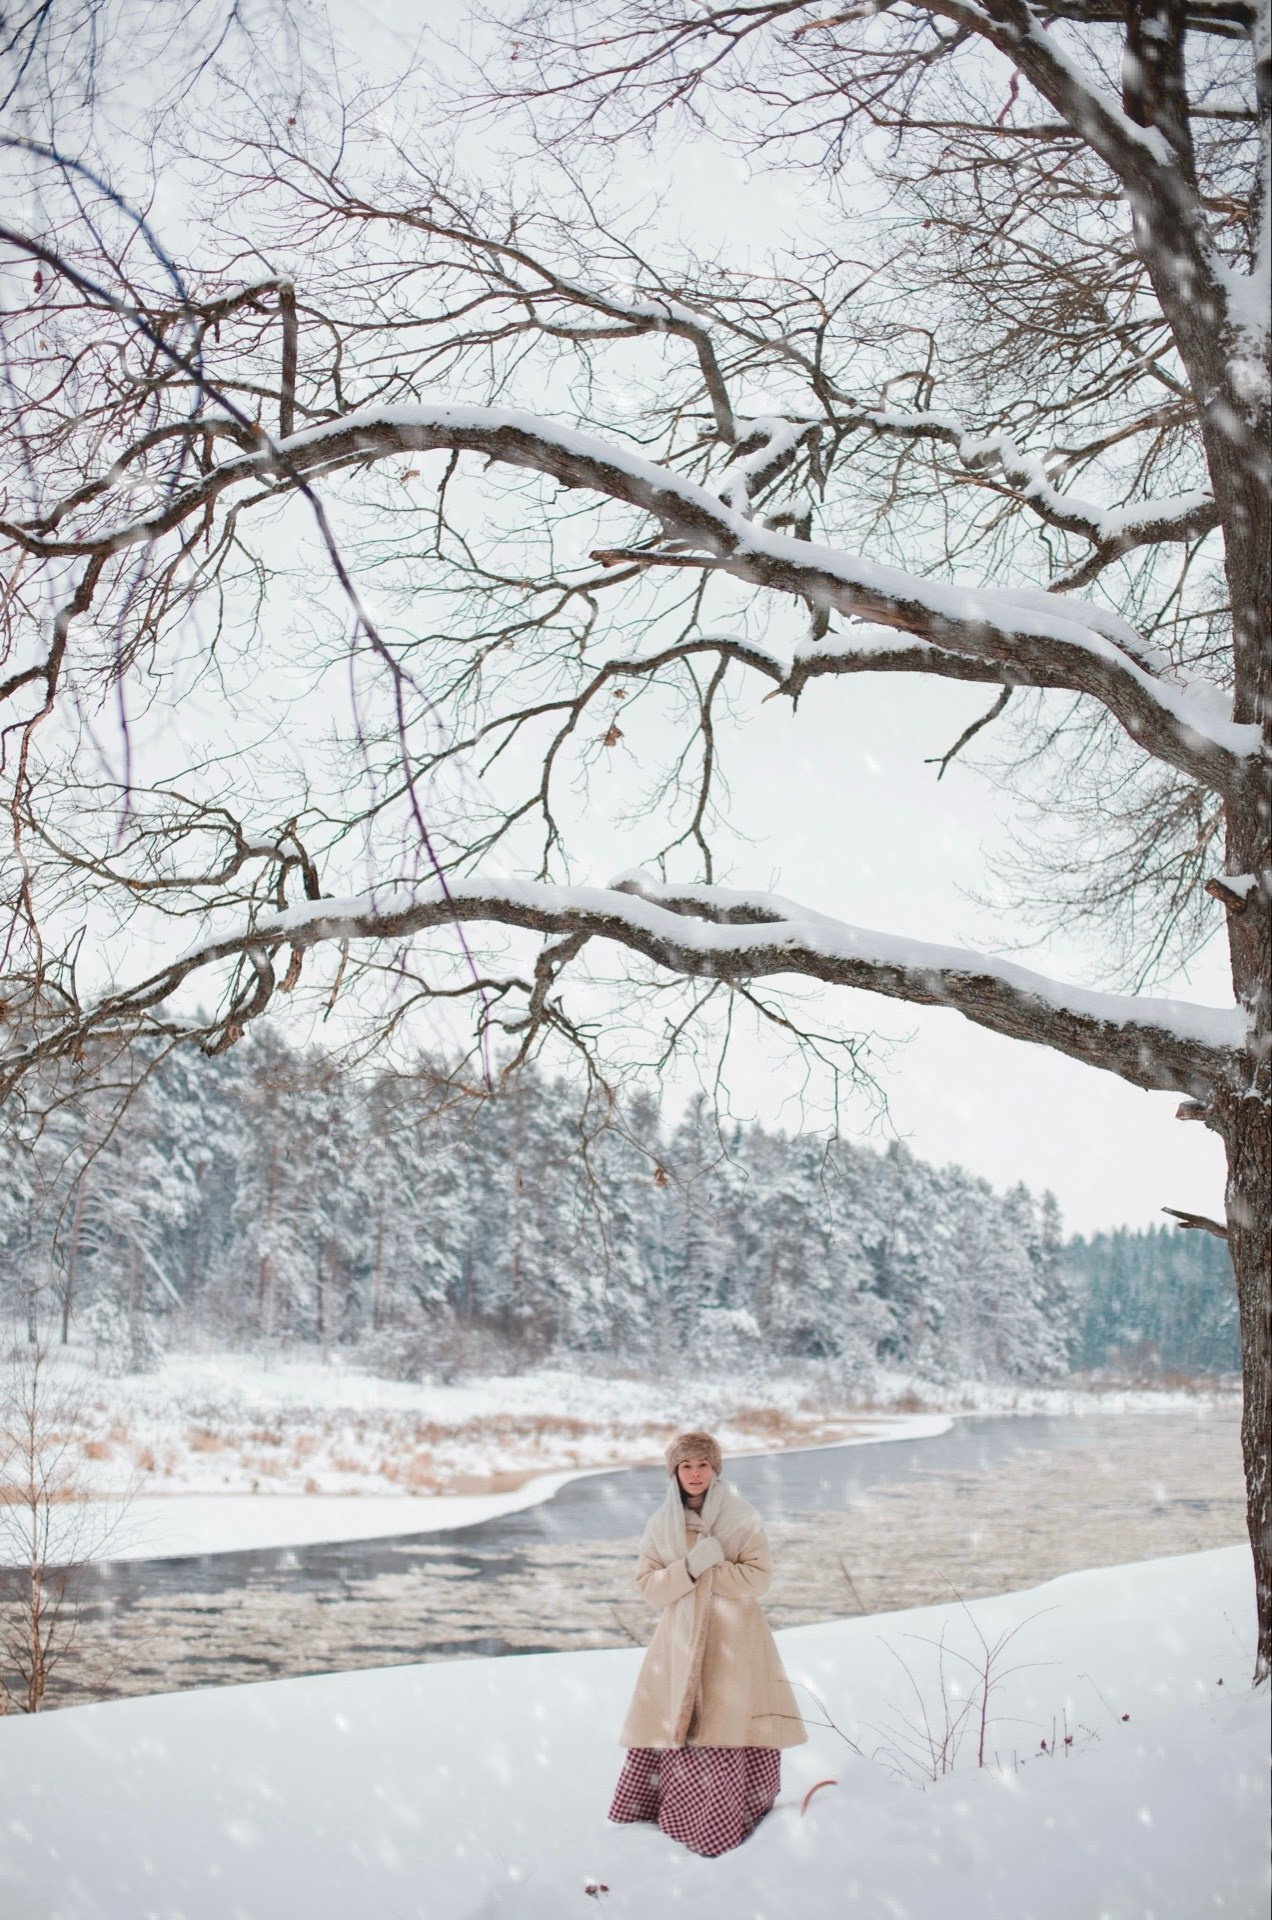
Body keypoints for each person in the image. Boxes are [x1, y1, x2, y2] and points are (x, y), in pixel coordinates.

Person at [607, 1429, 806, 1857]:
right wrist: (693, 1568)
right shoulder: (660, 1525)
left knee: (727, 1722)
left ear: (715, 1470)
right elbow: (649, 1587)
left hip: (734, 1641)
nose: (694, 1474)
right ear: (674, 1472)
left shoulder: (741, 1516)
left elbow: (760, 1578)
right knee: (679, 1722)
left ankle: (727, 1825)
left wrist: (711, 1575)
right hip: (677, 1645)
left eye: (702, 1465)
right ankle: (672, 1825)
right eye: (685, 1466)